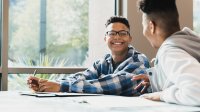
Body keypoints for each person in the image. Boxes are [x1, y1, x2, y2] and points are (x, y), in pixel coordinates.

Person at [27, 16, 150, 96]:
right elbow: (82, 76)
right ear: (105, 38)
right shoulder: (103, 63)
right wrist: (49, 84)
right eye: (112, 33)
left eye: (122, 33)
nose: (117, 37)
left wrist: (60, 86)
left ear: (130, 38)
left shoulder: (139, 61)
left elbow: (115, 84)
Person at [132, 0, 200, 105]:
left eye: (143, 25)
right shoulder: (191, 40)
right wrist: (158, 78)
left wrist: (162, 95)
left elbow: (197, 92)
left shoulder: (168, 51)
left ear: (151, 26)